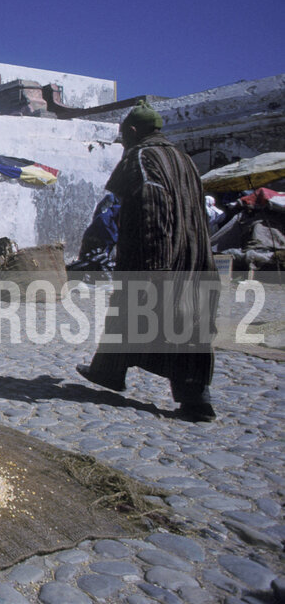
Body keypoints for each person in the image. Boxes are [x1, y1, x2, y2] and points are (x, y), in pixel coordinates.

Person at [76, 101, 219, 422]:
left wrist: (154, 266)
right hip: (194, 256)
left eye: (124, 135)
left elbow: (152, 209)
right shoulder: (183, 158)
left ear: (133, 131)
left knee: (135, 310)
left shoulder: (142, 157)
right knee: (188, 323)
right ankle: (192, 396)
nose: (123, 142)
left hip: (159, 255)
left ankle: (111, 372)